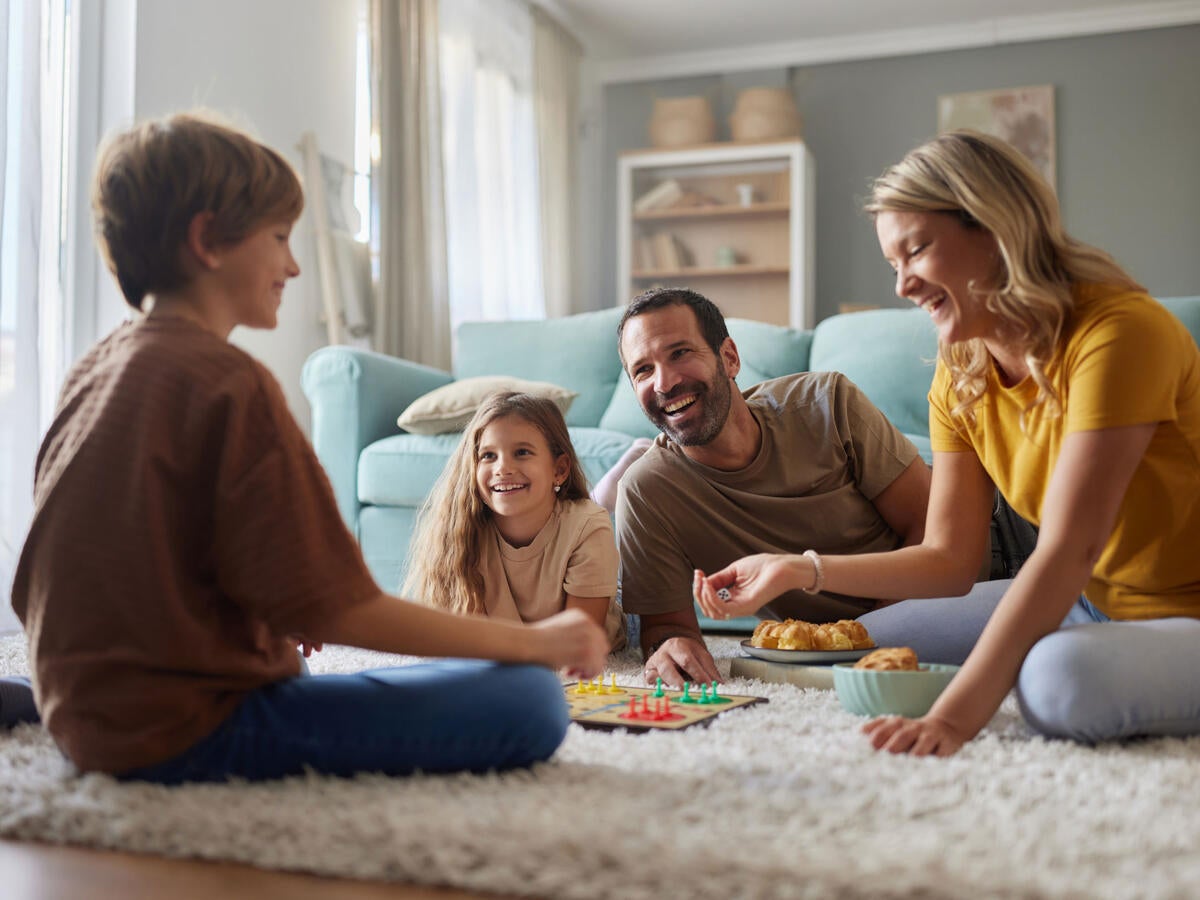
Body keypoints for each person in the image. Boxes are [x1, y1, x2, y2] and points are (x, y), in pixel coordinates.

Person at [7, 111, 608, 782]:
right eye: (279, 236)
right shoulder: (230, 383)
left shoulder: (94, 369)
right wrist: (533, 642)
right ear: (208, 240)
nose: (293, 263)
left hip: (80, 712)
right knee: (527, 700)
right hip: (184, 730)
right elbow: (341, 609)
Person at [695, 129, 1200, 756]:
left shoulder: (1118, 334)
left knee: (1057, 682)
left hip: (1182, 610)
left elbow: (1069, 548)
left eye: (918, 250)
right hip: (1087, 600)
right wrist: (801, 568)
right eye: (893, 264)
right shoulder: (962, 371)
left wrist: (954, 719)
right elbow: (950, 559)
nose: (903, 284)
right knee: (858, 643)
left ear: (994, 228)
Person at [615, 287, 934, 687]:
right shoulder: (647, 492)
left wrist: (869, 637)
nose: (664, 383)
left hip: (998, 547)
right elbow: (665, 627)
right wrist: (671, 646)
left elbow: (929, 524)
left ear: (729, 357)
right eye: (643, 370)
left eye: (680, 353)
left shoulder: (827, 405)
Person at [403, 391, 627, 650]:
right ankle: (603, 494)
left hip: (613, 615)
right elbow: (461, 642)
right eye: (488, 455)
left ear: (560, 470)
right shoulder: (463, 530)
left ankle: (607, 494)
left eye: (521, 452)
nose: (503, 468)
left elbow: (577, 642)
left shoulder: (587, 526)